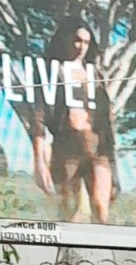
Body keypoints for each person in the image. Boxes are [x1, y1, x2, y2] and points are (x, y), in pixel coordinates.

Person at [32, 17, 116, 224]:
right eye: (77, 40)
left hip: (97, 146)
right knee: (73, 212)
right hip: (67, 146)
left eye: (86, 42)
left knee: (100, 207)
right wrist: (40, 162)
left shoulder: (94, 74)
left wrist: (110, 150)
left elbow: (106, 118)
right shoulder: (54, 72)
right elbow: (39, 119)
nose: (81, 47)